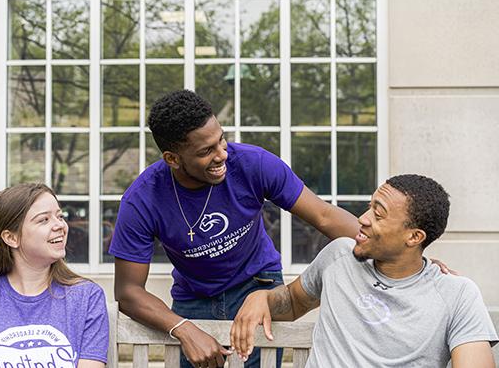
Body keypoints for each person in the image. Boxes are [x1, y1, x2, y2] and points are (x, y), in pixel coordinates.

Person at [109, 89, 359, 368]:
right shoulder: (142, 199)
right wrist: (183, 328)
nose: (221, 155)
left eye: (221, 140)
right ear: (173, 159)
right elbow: (128, 291)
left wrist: (389, 247)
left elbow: (324, 216)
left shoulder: (254, 164)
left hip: (258, 284)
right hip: (194, 298)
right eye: (206, 151)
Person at [230, 174, 498, 367]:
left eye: (378, 214)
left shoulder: (457, 294)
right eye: (370, 206)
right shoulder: (339, 256)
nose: (362, 218)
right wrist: (262, 297)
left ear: (414, 237)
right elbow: (291, 302)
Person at [0, 184, 109, 368]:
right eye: (44, 220)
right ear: (11, 238)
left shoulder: (87, 297)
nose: (60, 225)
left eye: (60, 216)